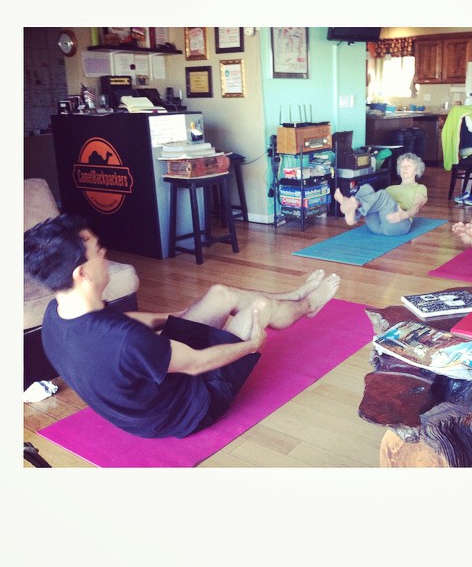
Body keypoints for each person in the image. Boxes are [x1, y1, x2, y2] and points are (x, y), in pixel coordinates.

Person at [23, 213, 341, 439]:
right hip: (188, 408)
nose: (106, 254)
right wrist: (252, 346)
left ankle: (293, 295)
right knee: (260, 309)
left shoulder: (58, 312)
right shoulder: (125, 341)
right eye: (98, 252)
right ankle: (308, 306)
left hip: (151, 392)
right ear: (82, 274)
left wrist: (175, 315)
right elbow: (195, 364)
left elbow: (125, 320)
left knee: (219, 295)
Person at [333, 152, 428, 236]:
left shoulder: (419, 187)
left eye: (409, 166)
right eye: (402, 166)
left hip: (397, 223)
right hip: (375, 225)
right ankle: (352, 214)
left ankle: (350, 205)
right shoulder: (390, 188)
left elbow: (417, 206)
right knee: (366, 188)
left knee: (382, 194)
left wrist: (404, 215)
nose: (405, 169)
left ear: (416, 170)